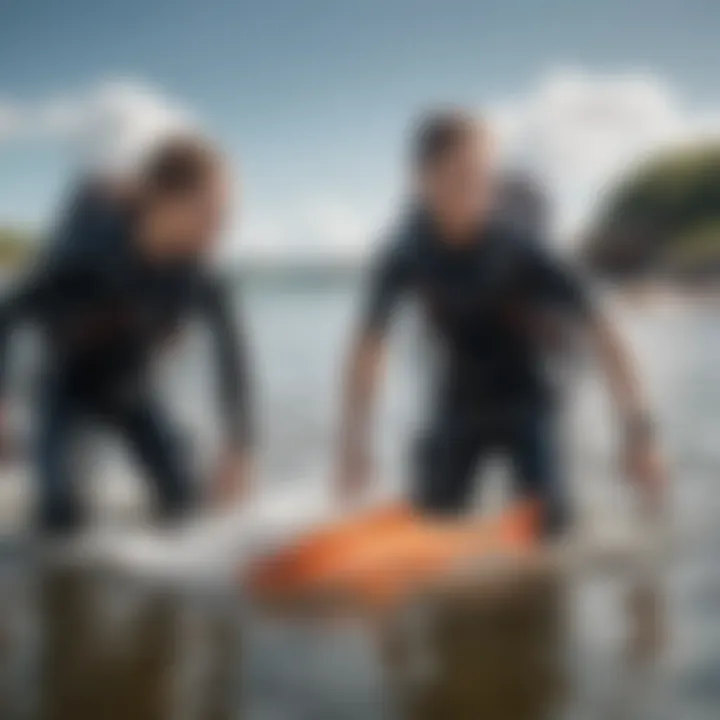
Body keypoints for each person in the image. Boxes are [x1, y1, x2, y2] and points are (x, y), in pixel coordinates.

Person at [335, 111, 666, 535]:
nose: (477, 190)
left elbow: (605, 331)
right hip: (457, 402)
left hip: (528, 401)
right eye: (460, 176)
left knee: (551, 530)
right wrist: (353, 444)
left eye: (483, 176)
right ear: (422, 179)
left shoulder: (522, 248)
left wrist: (640, 435)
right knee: (433, 526)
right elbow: (368, 346)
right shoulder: (405, 251)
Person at [0, 136, 254, 534]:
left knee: (185, 502)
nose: (224, 228)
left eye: (226, 214)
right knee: (60, 511)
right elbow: (9, 313)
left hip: (131, 383)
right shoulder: (87, 254)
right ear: (166, 203)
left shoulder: (200, 276)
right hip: (67, 381)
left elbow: (232, 355)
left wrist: (238, 446)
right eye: (212, 213)